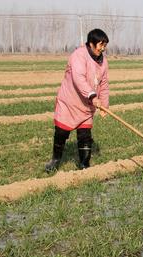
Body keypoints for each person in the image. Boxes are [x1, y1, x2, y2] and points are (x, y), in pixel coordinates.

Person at [45, 29, 110, 172]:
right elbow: (78, 78)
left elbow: (104, 84)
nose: (103, 48)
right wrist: (93, 96)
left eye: (105, 45)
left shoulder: (103, 62)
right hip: (69, 102)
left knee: (85, 135)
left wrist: (104, 105)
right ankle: (55, 161)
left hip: (86, 106)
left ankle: (84, 166)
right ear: (91, 44)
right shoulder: (79, 56)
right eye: (101, 44)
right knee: (61, 132)